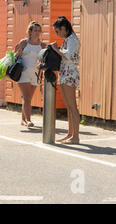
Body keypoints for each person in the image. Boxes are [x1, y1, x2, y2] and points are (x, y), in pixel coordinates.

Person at [50, 16, 81, 144]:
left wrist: (56, 49)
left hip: (69, 74)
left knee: (72, 106)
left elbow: (67, 55)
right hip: (64, 74)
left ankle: (76, 136)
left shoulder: (73, 40)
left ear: (63, 28)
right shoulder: (68, 39)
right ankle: (70, 134)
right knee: (68, 106)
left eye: (57, 31)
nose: (57, 34)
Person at [14, 21, 46, 128]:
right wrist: (19, 49)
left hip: (36, 74)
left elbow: (44, 60)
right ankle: (28, 120)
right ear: (30, 31)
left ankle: (23, 120)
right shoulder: (24, 42)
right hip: (23, 73)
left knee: (28, 98)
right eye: (35, 30)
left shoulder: (42, 45)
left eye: (38, 30)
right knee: (27, 98)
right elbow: (15, 56)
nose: (37, 32)